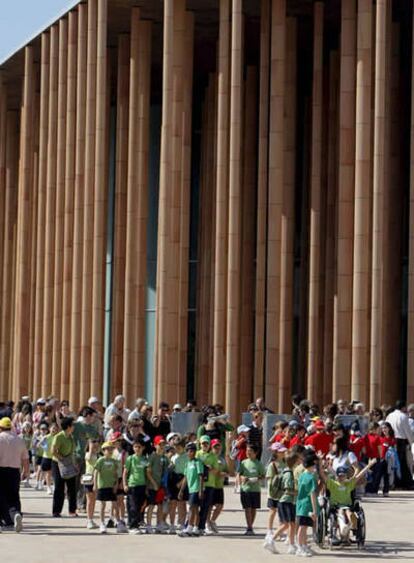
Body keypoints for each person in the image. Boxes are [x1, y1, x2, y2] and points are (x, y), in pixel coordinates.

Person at [320, 460, 376, 545]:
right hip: (336, 506)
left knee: (349, 513)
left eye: (343, 476)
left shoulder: (349, 484)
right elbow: (323, 475)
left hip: (347, 506)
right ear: (336, 476)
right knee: (341, 512)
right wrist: (320, 464)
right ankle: (343, 530)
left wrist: (369, 465)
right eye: (339, 476)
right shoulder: (332, 483)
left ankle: (349, 527)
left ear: (346, 476)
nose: (341, 477)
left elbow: (359, 475)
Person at [264, 452, 299, 555]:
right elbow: (287, 490)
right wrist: (298, 492)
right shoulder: (288, 474)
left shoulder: (288, 471)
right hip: (286, 501)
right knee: (286, 524)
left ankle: (291, 546)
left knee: (291, 524)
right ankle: (271, 540)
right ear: (294, 462)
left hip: (288, 501)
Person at [0, 417, 29, 532]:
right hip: (14, 471)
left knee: (1, 497)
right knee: (13, 497)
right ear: (11, 427)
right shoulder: (19, 440)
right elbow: (26, 459)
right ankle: (16, 514)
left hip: (1, 471)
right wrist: (25, 472)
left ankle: (4, 521)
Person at [94, 442, 124, 534]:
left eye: (111, 449)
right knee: (102, 505)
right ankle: (102, 524)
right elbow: (95, 473)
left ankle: (118, 522)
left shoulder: (114, 461)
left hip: (111, 486)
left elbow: (115, 473)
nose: (110, 451)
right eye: (107, 449)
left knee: (115, 505)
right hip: (102, 485)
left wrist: (116, 484)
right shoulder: (100, 460)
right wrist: (95, 485)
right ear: (103, 451)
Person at [51, 416, 78, 518]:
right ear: (68, 426)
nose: (74, 427)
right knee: (59, 487)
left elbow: (72, 453)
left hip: (69, 463)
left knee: (72, 487)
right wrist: (62, 459)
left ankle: (72, 510)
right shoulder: (59, 436)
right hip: (58, 463)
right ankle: (56, 511)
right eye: (72, 425)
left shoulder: (71, 436)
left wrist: (74, 464)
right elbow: (53, 451)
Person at [238, 444, 265, 535]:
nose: (248, 452)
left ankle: (250, 526)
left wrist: (256, 479)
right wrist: (242, 478)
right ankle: (249, 527)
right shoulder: (243, 463)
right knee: (247, 508)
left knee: (253, 509)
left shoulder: (259, 463)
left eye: (250, 451)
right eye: (247, 450)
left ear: (255, 453)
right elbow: (239, 473)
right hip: (245, 489)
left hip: (255, 489)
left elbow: (263, 476)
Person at [178, 442, 204, 536]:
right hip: (190, 489)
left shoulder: (198, 462)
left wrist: (201, 490)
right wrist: (181, 490)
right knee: (195, 508)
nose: (191, 453)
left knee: (192, 508)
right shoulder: (187, 463)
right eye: (189, 451)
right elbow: (185, 478)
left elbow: (201, 476)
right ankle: (196, 528)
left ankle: (189, 527)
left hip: (196, 488)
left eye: (193, 451)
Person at [386, 400, 414, 489]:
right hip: (400, 441)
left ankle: (395, 482)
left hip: (390, 440)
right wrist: (411, 442)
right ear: (403, 407)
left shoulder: (390, 415)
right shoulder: (403, 416)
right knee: (400, 462)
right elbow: (407, 431)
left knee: (393, 462)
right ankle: (405, 483)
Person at [123, 438, 148, 533]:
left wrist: (147, 486)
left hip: (142, 485)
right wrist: (125, 484)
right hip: (132, 484)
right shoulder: (131, 458)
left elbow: (146, 473)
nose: (137, 448)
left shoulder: (144, 459)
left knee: (140, 505)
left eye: (139, 447)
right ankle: (133, 526)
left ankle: (135, 523)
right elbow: (125, 472)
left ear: (143, 448)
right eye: (135, 447)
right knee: (133, 506)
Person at [295, 454, 318, 557]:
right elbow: (312, 494)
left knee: (303, 527)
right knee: (303, 527)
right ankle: (300, 548)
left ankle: (303, 545)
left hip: (300, 504)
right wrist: (315, 510)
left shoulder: (302, 475)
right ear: (311, 465)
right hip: (307, 505)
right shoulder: (311, 478)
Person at [264, 442, 287, 542]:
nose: (283, 453)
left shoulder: (285, 463)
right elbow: (269, 479)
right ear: (276, 453)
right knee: (272, 511)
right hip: (274, 493)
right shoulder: (272, 465)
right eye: (281, 452)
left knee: (282, 513)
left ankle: (280, 530)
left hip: (283, 492)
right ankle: (269, 530)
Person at [146, 435, 169, 533]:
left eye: (163, 444)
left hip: (161, 486)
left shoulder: (165, 457)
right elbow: (148, 471)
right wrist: (153, 483)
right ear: (155, 445)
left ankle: (159, 524)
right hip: (152, 485)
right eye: (160, 444)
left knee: (160, 505)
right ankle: (148, 525)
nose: (162, 446)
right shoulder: (152, 456)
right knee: (151, 505)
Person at [208, 439, 228, 534]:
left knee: (220, 505)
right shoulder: (210, 457)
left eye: (219, 446)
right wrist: (218, 473)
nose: (217, 448)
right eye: (215, 447)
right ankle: (207, 523)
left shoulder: (222, 459)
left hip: (219, 485)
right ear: (211, 447)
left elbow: (227, 470)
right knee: (210, 506)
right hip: (211, 484)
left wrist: (225, 474)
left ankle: (212, 521)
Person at [168, 437, 188, 534]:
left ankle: (181, 522)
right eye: (175, 447)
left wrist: (181, 482)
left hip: (183, 478)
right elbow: (171, 468)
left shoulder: (187, 457)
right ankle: (172, 524)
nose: (177, 449)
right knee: (172, 503)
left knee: (181, 503)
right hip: (173, 479)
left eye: (179, 447)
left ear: (183, 447)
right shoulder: (173, 457)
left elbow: (187, 472)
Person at [84, 438, 101, 529]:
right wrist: (90, 448)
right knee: (90, 500)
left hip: (97, 478)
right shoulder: (88, 454)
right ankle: (89, 520)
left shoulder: (98, 454)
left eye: (96, 441)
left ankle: (91, 518)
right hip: (89, 478)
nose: (95, 443)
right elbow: (89, 458)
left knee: (94, 500)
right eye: (93, 442)